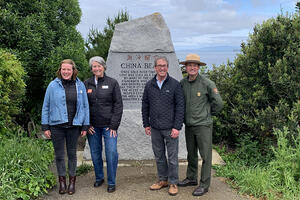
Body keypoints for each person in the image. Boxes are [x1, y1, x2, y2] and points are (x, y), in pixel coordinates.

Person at [178, 53, 224, 196]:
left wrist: (207, 115)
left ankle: (204, 184)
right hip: (189, 126)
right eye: (189, 65)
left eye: (194, 65)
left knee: (205, 156)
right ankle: (191, 178)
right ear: (185, 67)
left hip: (203, 125)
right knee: (191, 154)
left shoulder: (207, 83)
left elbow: (219, 103)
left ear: (198, 67)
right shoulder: (182, 84)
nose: (192, 67)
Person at [41, 59, 89, 195]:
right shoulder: (52, 85)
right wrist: (45, 126)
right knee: (60, 155)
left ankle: (72, 182)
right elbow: (46, 106)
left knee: (72, 154)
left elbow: (85, 107)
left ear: (73, 70)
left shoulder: (80, 85)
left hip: (74, 126)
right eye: (64, 69)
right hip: (57, 126)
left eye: (68, 69)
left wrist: (85, 125)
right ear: (60, 70)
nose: (66, 72)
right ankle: (62, 181)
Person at [142, 56, 184, 196]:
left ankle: (173, 182)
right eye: (159, 65)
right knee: (159, 156)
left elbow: (180, 107)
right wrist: (146, 124)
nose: (162, 68)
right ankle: (163, 180)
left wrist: (177, 127)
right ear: (155, 68)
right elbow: (145, 105)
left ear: (167, 67)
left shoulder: (175, 85)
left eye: (164, 65)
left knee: (172, 158)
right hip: (155, 128)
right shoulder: (149, 85)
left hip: (170, 128)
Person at [84, 56, 123, 193]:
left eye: (99, 66)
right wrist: (87, 124)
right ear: (91, 69)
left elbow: (118, 105)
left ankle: (111, 182)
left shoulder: (112, 83)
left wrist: (113, 125)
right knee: (95, 153)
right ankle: (99, 177)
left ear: (104, 67)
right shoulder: (86, 83)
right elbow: (83, 105)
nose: (97, 68)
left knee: (111, 153)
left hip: (108, 127)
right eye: (94, 66)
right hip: (93, 127)